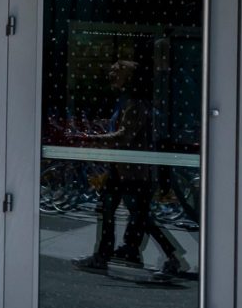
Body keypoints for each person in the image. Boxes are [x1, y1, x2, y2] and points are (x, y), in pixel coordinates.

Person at [70, 58, 186, 278]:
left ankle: (170, 256)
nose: (111, 73)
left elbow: (125, 136)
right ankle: (116, 253)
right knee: (116, 211)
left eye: (118, 70)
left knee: (136, 215)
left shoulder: (135, 103)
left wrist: (90, 139)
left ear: (130, 78)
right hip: (123, 167)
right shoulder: (129, 101)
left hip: (132, 170)